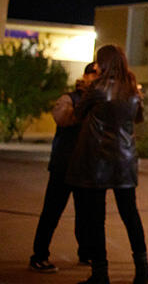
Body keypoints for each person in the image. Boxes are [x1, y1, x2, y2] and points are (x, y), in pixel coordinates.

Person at [66, 45, 148, 284]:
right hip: (125, 159)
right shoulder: (133, 89)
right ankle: (142, 271)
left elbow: (79, 114)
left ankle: (100, 273)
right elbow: (139, 117)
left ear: (103, 63)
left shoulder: (97, 88)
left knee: (96, 218)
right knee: (130, 215)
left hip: (97, 160)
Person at [29, 62, 98, 273]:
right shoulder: (69, 99)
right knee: (51, 212)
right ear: (86, 76)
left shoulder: (98, 101)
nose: (97, 77)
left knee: (85, 213)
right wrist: (85, 104)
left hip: (84, 166)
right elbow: (61, 118)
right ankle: (39, 255)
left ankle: (85, 252)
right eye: (94, 73)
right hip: (63, 166)